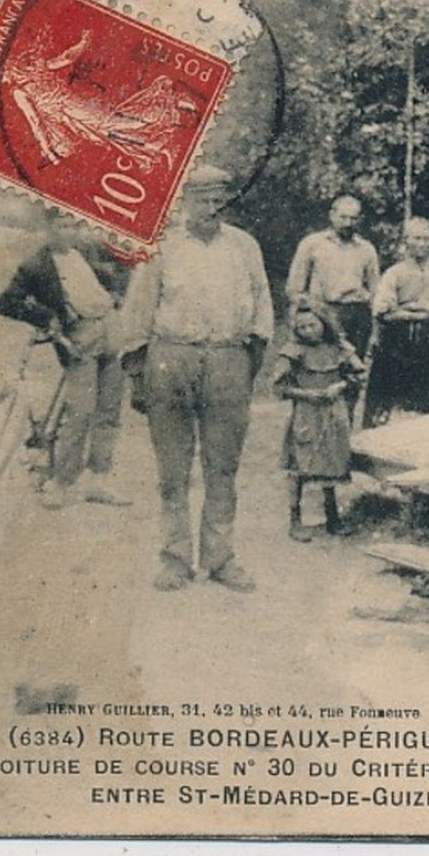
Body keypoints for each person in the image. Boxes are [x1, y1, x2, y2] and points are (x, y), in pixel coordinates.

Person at [120, 164, 274, 594]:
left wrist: (246, 368)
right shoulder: (161, 246)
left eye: (218, 199)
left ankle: (221, 558)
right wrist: (138, 376)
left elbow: (263, 311)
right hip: (171, 359)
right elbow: (137, 313)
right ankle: (174, 558)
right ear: (185, 201)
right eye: (202, 198)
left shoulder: (244, 247)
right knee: (173, 469)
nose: (210, 207)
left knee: (222, 467)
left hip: (228, 358)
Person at [0, 209, 131, 509]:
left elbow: (122, 266)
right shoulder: (36, 265)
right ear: (47, 227)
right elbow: (6, 302)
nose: (68, 230)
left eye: (72, 224)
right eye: (60, 224)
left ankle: (100, 480)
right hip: (79, 335)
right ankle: (61, 482)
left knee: (109, 411)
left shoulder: (85, 249)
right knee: (80, 412)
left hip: (111, 329)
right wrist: (48, 317)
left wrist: (117, 293)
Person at [273, 298, 368, 542]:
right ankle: (295, 520)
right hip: (306, 413)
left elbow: (359, 374)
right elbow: (279, 386)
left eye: (312, 325)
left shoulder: (339, 347)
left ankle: (332, 517)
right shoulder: (293, 351)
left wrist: (340, 386)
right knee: (300, 466)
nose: (307, 331)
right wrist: (307, 394)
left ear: (324, 323)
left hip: (334, 413)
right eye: (301, 327)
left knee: (331, 462)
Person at [366, 216, 429, 423]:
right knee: (391, 403)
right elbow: (383, 311)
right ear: (406, 241)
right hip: (399, 344)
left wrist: (408, 307)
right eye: (417, 238)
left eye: (427, 239)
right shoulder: (394, 273)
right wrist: (420, 312)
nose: (423, 244)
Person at [286, 195, 380, 389]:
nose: (348, 223)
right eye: (343, 217)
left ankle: (348, 417)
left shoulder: (366, 249)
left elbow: (375, 290)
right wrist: (309, 313)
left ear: (359, 219)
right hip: (324, 314)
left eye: (353, 219)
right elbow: (294, 288)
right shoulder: (312, 244)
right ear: (332, 216)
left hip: (357, 315)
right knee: (324, 372)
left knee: (354, 374)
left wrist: (373, 320)